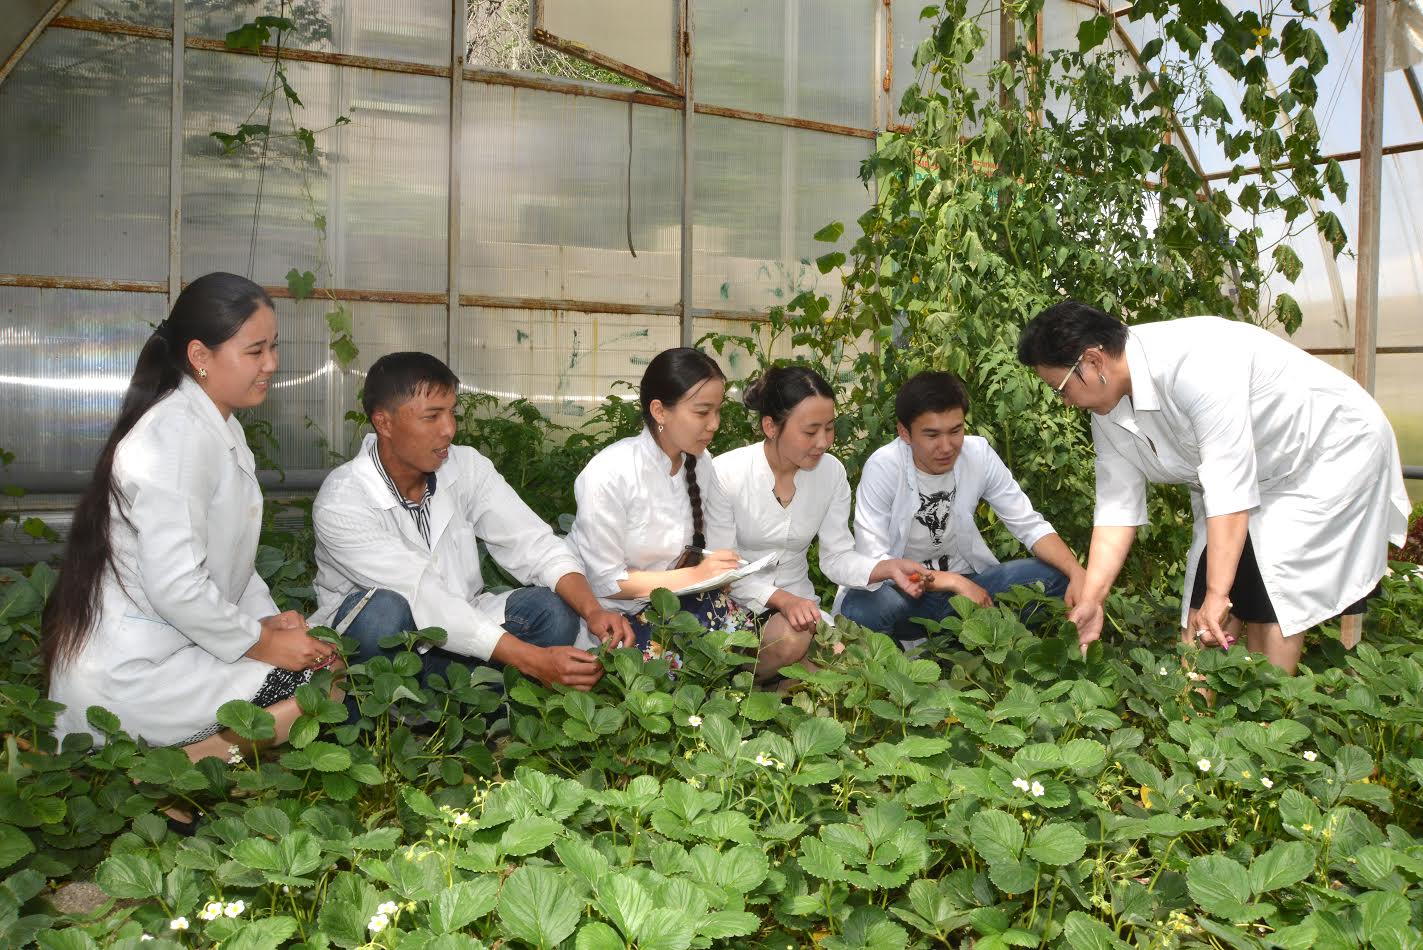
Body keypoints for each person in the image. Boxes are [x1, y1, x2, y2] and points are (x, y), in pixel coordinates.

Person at [1017, 301, 1411, 673]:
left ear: (1092, 361)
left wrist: (1219, 594)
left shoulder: (1195, 361)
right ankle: (1199, 730)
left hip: (1324, 454)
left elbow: (1229, 486)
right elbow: (1117, 508)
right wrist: (1092, 598)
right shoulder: (1107, 406)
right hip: (1252, 478)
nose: (1065, 402)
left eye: (1061, 388)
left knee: (1272, 592)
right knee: (1199, 617)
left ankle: (1264, 721)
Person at [45, 272, 337, 767]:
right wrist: (263, 643)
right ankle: (184, 769)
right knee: (320, 686)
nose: (272, 364)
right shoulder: (173, 439)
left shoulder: (215, 424)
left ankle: (181, 764)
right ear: (200, 356)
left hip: (178, 642)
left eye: (274, 347)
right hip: (135, 673)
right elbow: (177, 586)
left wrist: (269, 619)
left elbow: (228, 556)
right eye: (255, 351)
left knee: (321, 658)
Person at [310, 352, 633, 692]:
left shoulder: (465, 467)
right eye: (432, 416)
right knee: (384, 610)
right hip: (380, 646)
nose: (449, 429)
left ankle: (448, 703)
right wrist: (532, 660)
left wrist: (593, 610)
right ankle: (387, 709)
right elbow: (423, 595)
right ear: (384, 423)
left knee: (553, 611)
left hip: (459, 633)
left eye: (451, 412)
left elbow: (532, 543)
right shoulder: (343, 500)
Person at [839, 370, 1083, 642]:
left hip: (972, 589)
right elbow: (874, 559)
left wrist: (1078, 573)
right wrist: (953, 581)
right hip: (904, 596)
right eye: (932, 435)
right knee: (861, 607)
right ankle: (898, 670)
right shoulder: (884, 466)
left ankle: (970, 648)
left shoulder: (977, 454)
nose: (946, 446)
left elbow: (1029, 524)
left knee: (1055, 576)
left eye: (956, 431)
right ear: (904, 433)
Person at [714, 366, 926, 677]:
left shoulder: (831, 473)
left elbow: (836, 557)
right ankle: (736, 684)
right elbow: (723, 571)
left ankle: (777, 699)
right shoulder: (727, 474)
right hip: (735, 606)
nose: (823, 441)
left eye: (829, 428)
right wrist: (783, 601)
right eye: (810, 431)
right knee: (793, 639)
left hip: (802, 610)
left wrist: (888, 567)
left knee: (853, 663)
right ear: (771, 427)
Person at [567, 347, 755, 663]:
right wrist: (697, 576)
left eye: (718, 411)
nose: (714, 424)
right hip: (609, 619)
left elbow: (719, 546)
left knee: (738, 625)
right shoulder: (609, 473)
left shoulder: (701, 463)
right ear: (659, 411)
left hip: (669, 608)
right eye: (702, 412)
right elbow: (608, 582)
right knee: (704, 635)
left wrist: (718, 570)